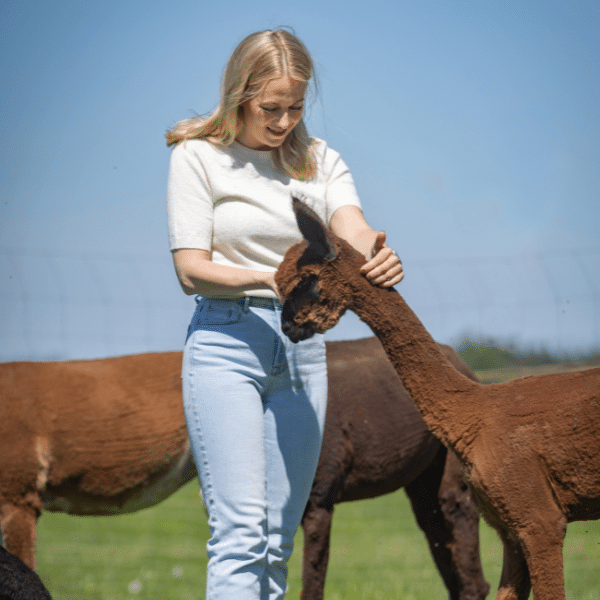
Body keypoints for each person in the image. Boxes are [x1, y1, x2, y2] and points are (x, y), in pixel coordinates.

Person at [165, 28, 403, 600]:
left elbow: (351, 226)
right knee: (241, 534)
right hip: (227, 344)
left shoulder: (319, 162)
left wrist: (378, 251)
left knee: (276, 538)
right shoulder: (199, 157)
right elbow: (190, 269)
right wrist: (270, 278)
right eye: (271, 108)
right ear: (239, 95)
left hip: (301, 354)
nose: (284, 121)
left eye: (295, 107)